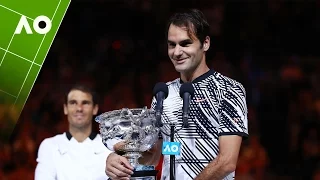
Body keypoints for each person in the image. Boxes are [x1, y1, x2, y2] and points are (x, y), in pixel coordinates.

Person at [105, 8, 249, 180]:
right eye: (172, 45)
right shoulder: (162, 94)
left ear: (206, 43)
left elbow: (227, 161)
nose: (177, 52)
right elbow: (153, 155)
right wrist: (119, 160)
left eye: (185, 43)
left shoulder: (229, 89)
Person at [35, 84, 112, 180]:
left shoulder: (109, 146)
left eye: (85, 103)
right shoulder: (50, 145)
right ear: (65, 108)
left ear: (95, 109)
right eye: (73, 103)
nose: (79, 108)